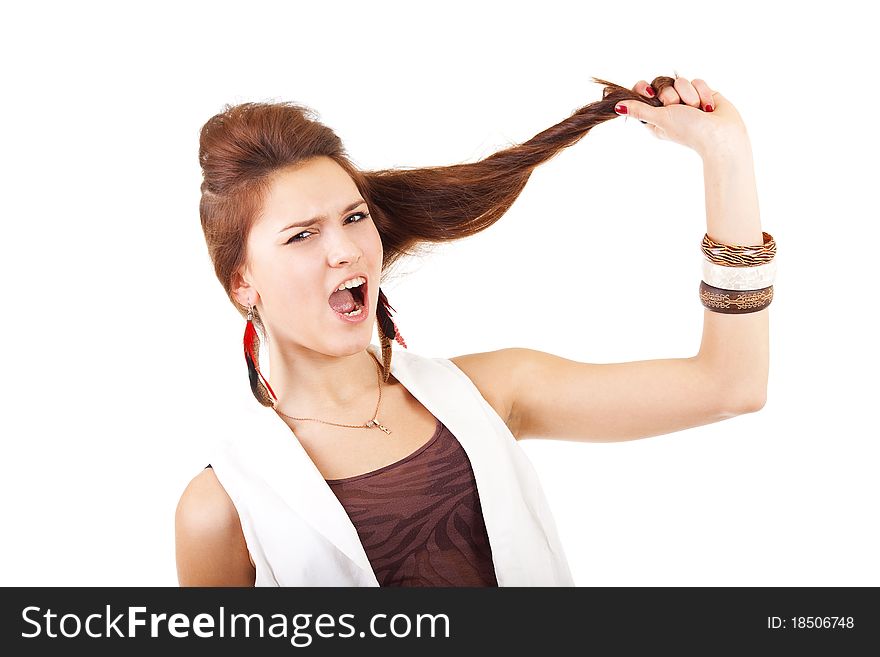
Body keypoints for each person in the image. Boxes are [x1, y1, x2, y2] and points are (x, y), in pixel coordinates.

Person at [176, 74, 773, 587]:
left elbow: (729, 386)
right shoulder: (221, 508)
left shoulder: (492, 392)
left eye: (354, 218)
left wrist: (727, 156)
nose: (344, 250)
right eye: (302, 234)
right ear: (241, 283)